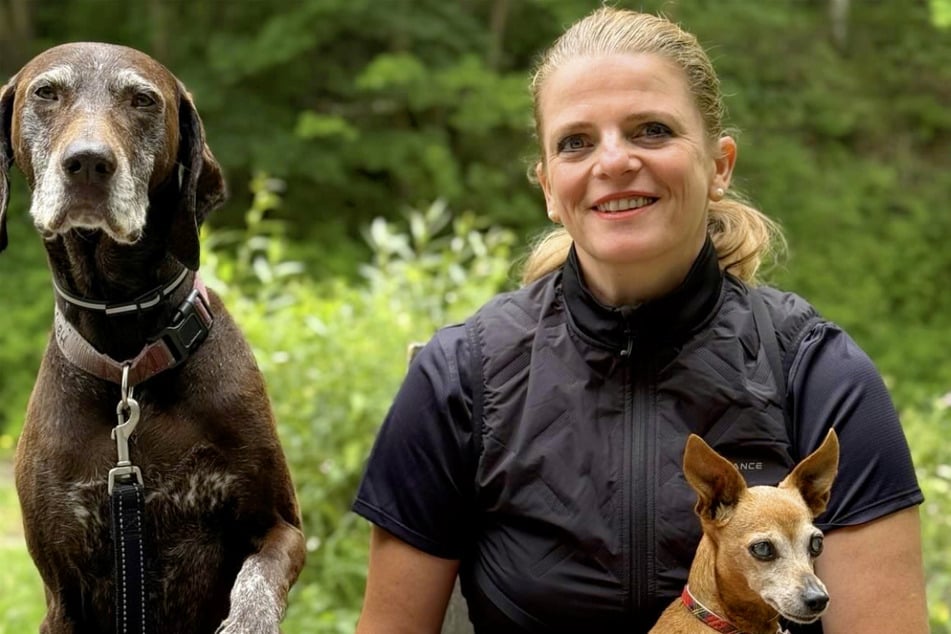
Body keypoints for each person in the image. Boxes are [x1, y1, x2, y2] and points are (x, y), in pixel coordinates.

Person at [351, 7, 928, 633]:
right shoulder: (460, 376)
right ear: (549, 187)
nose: (614, 161)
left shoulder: (818, 372)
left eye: (651, 130)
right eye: (577, 141)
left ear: (719, 165)